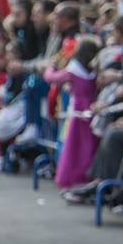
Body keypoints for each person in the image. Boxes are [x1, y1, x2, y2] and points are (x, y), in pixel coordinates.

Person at [44, 37, 102, 190]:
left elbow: (51, 78)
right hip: (91, 110)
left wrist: (51, 67)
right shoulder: (93, 70)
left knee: (74, 148)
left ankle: (74, 180)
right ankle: (87, 179)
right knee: (89, 148)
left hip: (77, 113)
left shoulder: (73, 69)